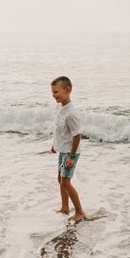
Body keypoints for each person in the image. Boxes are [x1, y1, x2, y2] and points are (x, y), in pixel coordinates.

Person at [50, 76, 87, 222]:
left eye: (56, 92)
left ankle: (79, 211)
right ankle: (65, 207)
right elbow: (59, 130)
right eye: (52, 92)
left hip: (70, 152)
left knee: (66, 182)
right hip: (62, 149)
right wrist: (55, 145)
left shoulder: (71, 113)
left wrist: (71, 157)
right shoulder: (60, 107)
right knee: (60, 179)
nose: (54, 95)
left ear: (68, 90)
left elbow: (77, 136)